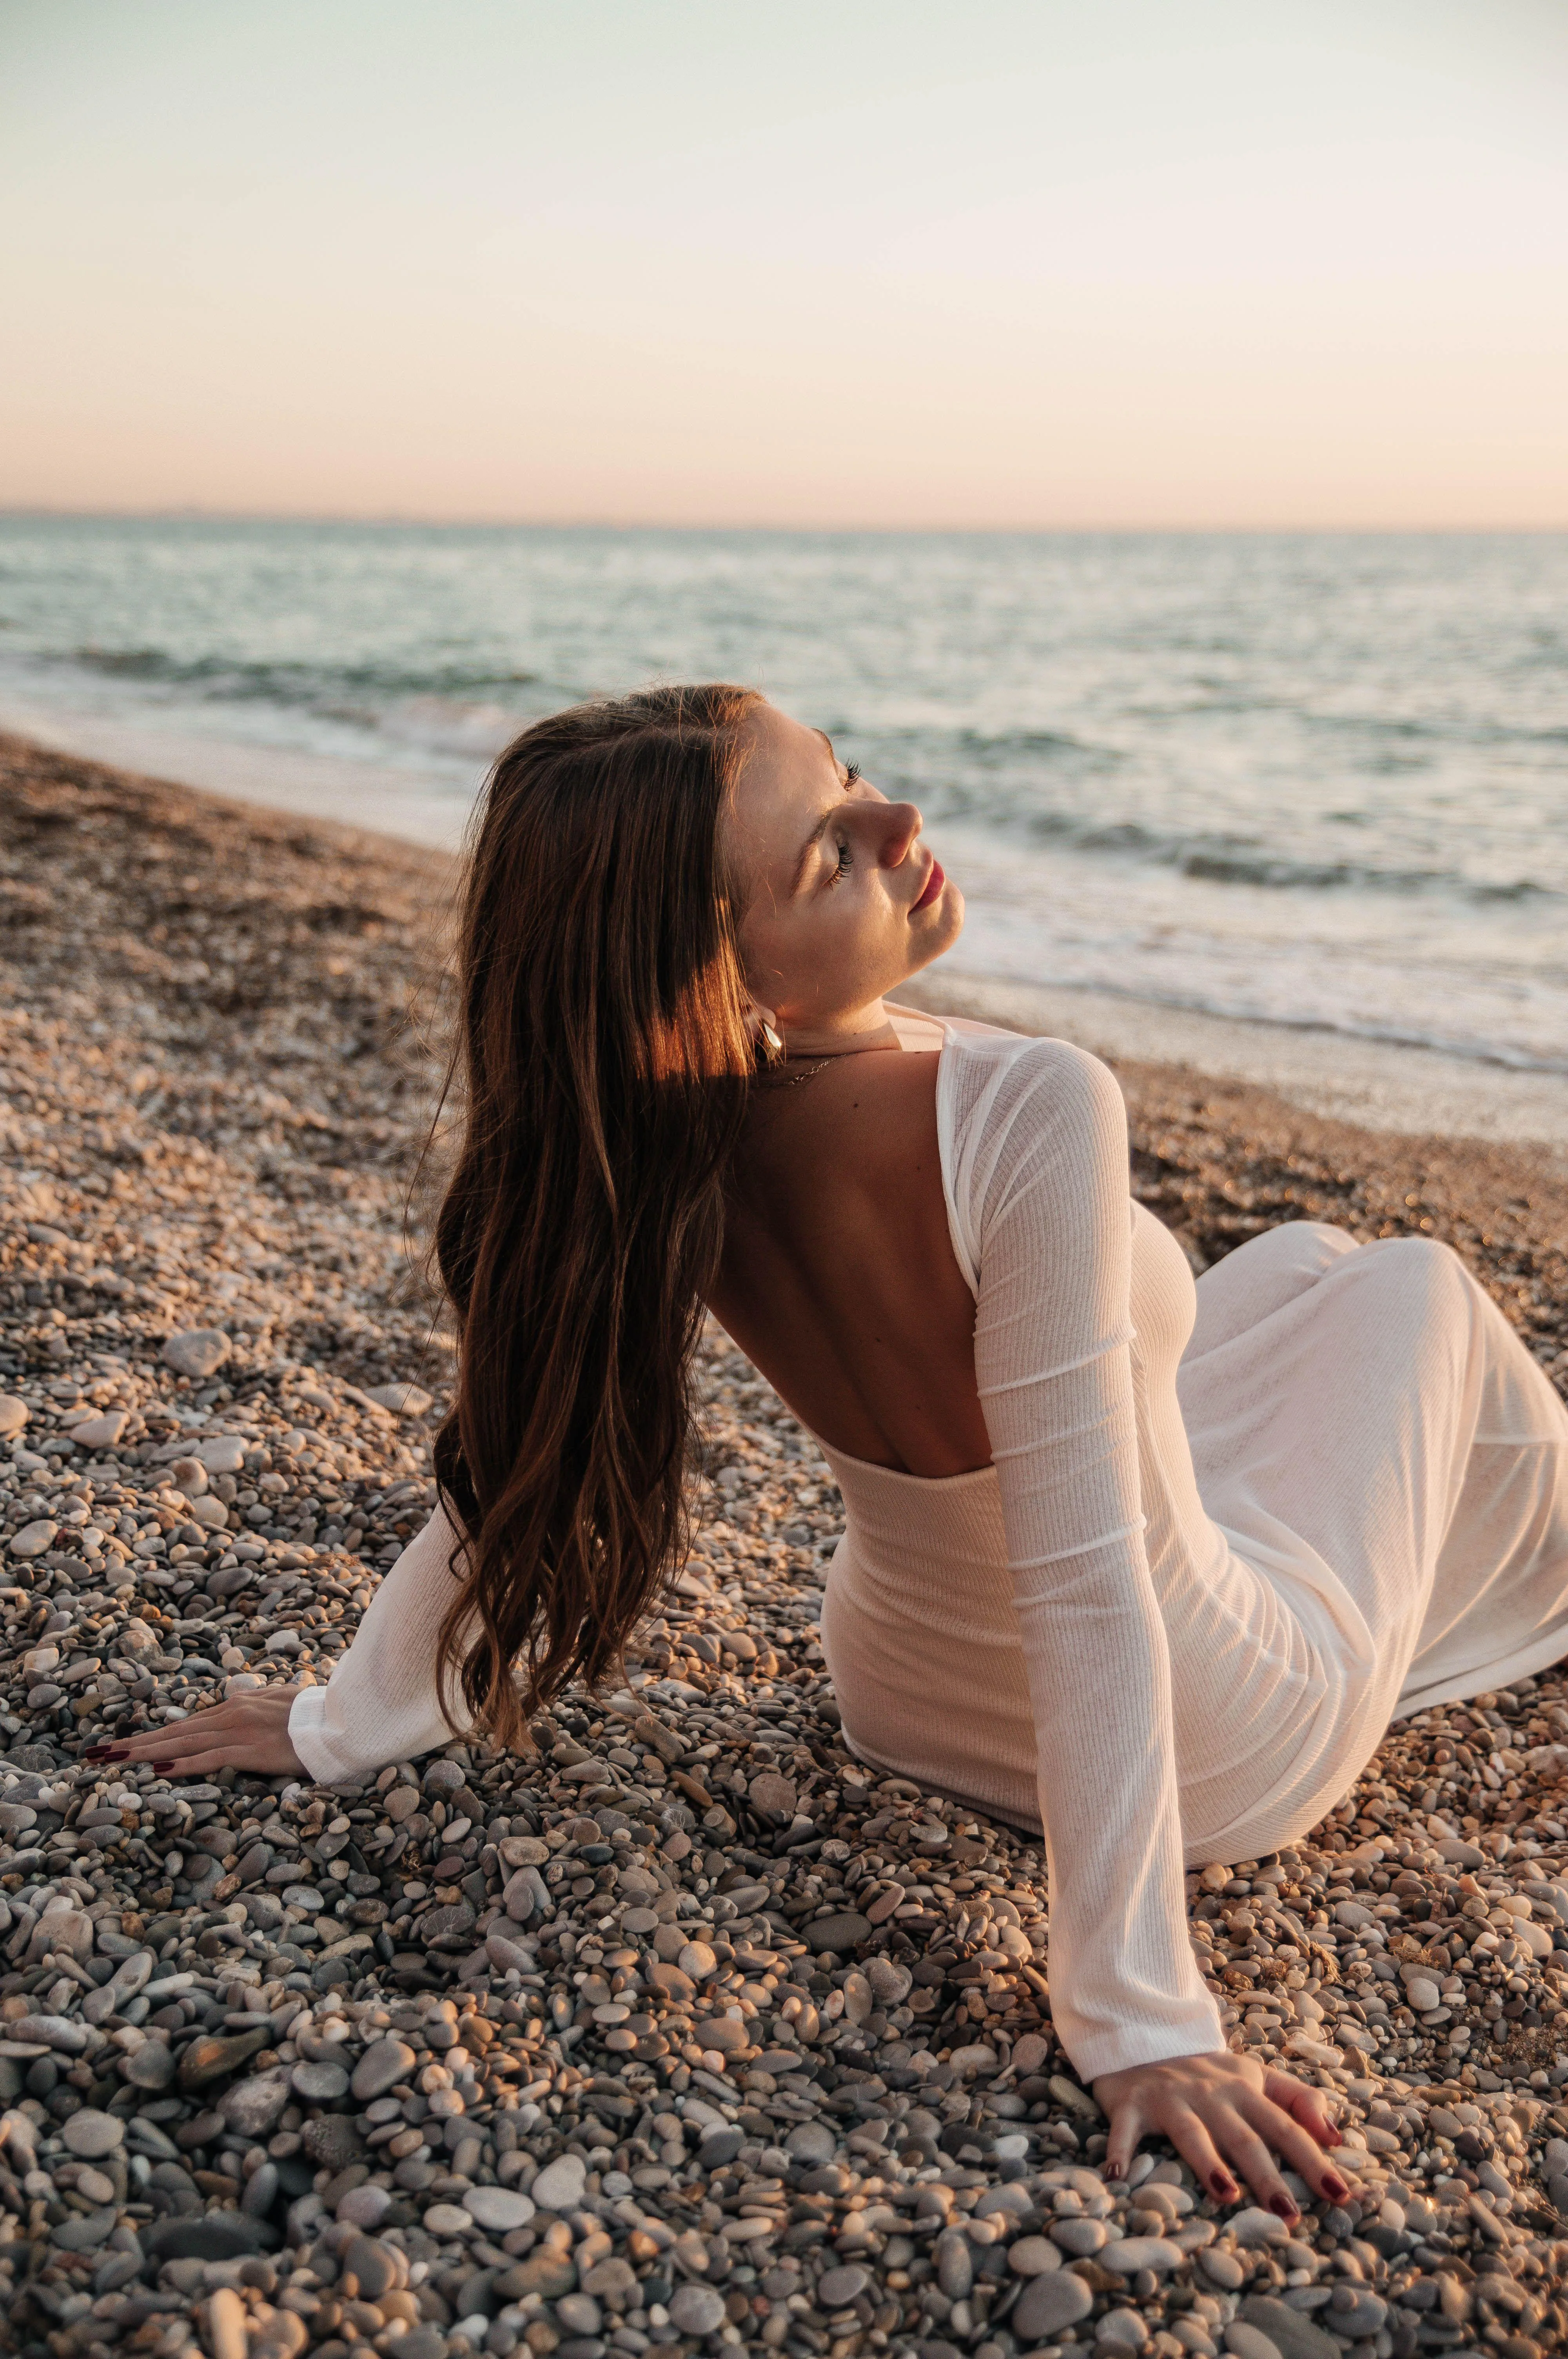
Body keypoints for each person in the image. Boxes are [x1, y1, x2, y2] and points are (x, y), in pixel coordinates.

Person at [96, 686, 1568, 2208]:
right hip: (1206, 1733)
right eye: (827, 858)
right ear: (723, 987)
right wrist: (1137, 2018)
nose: (896, 825)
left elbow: (523, 1451)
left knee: (1299, 1263)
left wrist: (345, 1720)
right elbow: (1082, 1585)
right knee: (1415, 1291)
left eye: (849, 780)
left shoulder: (652, 1139)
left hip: (902, 1701)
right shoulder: (1029, 1106)